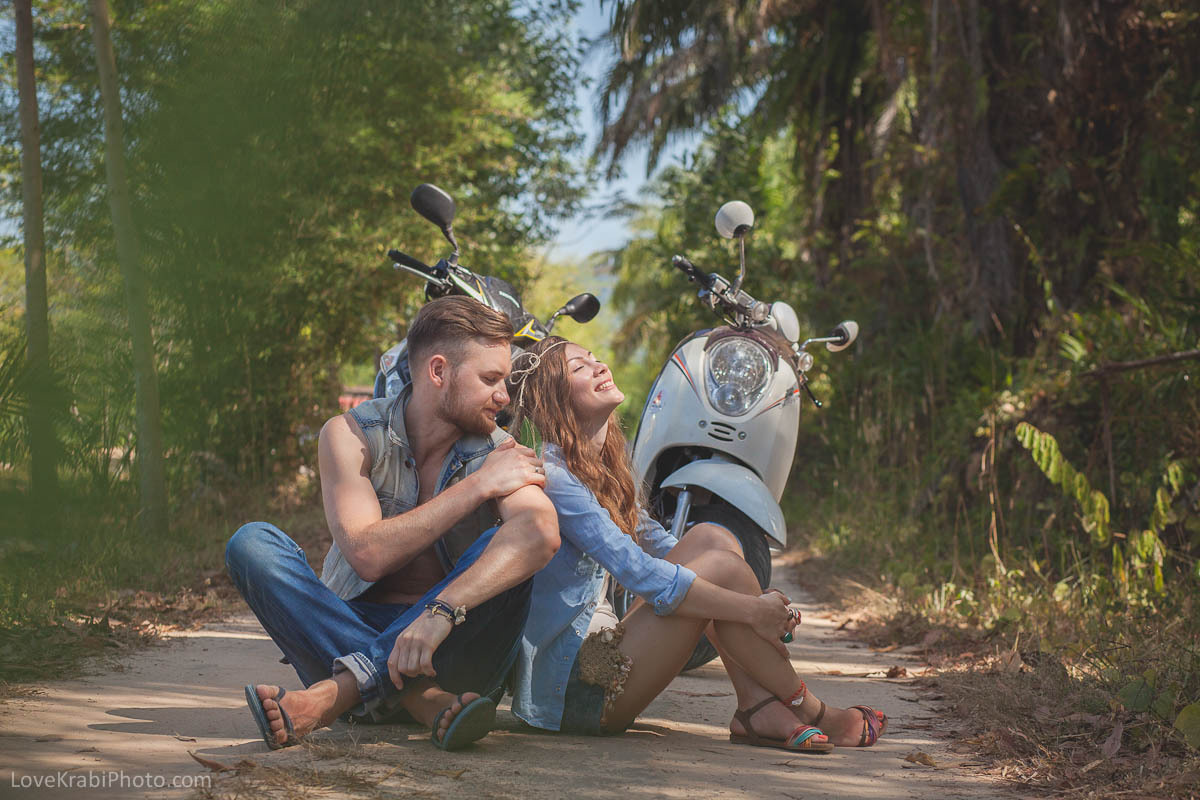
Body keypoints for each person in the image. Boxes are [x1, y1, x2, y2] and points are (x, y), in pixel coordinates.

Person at [508, 336, 887, 751]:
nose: (599, 366)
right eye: (580, 367)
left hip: (600, 661)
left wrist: (747, 597)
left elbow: (663, 544)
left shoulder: (601, 468)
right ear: (553, 398)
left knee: (713, 538)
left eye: (595, 357)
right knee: (720, 570)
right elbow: (636, 569)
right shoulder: (557, 477)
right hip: (570, 695)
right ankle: (813, 710)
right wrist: (752, 608)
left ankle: (756, 707)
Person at [225, 297, 559, 751]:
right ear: (438, 371)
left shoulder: (501, 452)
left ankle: (336, 694)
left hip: (451, 645)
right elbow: (368, 555)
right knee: (252, 545)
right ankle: (422, 701)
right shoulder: (351, 434)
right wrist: (476, 487)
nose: (504, 398)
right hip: (351, 629)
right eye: (490, 379)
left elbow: (540, 534)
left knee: (507, 546)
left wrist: (438, 613)